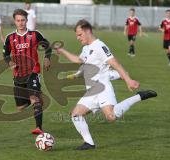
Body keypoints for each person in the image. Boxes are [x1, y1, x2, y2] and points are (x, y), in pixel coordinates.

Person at [55, 19, 157, 150]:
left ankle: (139, 96)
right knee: (75, 115)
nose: (78, 38)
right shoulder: (86, 48)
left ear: (87, 31)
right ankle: (89, 143)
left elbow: (115, 64)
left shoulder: (100, 46)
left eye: (80, 34)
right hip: (91, 91)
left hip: (102, 88)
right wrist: (62, 51)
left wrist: (128, 80)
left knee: (111, 117)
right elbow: (79, 60)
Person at [3, 9, 51, 135]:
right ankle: (37, 98)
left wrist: (47, 58)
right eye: (18, 20)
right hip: (18, 76)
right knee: (21, 107)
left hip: (33, 72)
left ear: (27, 20)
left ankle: (39, 128)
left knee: (34, 99)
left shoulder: (35, 35)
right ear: (15, 21)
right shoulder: (10, 38)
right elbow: (5, 54)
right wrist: (10, 63)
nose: (21, 23)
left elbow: (47, 46)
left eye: (23, 20)